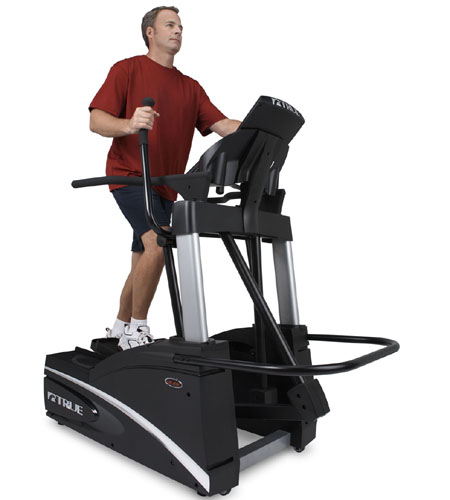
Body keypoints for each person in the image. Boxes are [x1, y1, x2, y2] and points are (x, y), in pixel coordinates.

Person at [89, 6, 240, 350]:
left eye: (181, 26)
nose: (178, 31)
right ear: (150, 32)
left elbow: (222, 125)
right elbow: (96, 120)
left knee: (145, 254)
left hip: (165, 187)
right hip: (130, 175)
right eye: (170, 25)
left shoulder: (190, 87)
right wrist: (130, 124)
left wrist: (257, 129)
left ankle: (119, 328)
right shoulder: (127, 69)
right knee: (157, 242)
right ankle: (137, 331)